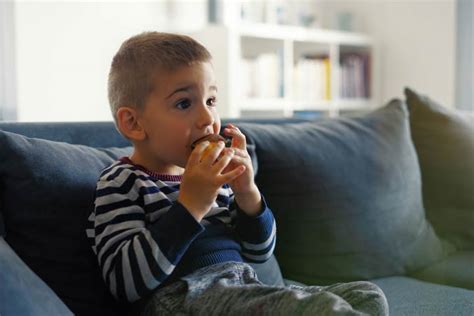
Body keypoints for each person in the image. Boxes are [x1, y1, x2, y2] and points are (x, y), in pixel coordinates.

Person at [86, 31, 388, 315]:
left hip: (243, 285)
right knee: (323, 308)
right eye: (183, 103)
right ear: (134, 123)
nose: (207, 118)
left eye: (211, 101)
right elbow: (125, 283)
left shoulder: (216, 177)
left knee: (367, 295)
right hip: (183, 298)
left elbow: (259, 253)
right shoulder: (122, 182)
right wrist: (190, 205)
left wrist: (247, 193)